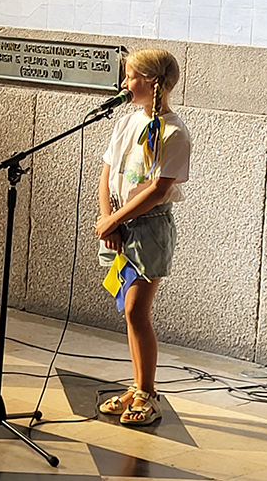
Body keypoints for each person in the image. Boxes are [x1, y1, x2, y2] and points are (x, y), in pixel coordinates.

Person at [94, 48, 191, 425]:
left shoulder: (174, 132)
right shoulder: (127, 122)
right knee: (129, 312)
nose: (124, 83)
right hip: (119, 224)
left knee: (137, 311)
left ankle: (147, 393)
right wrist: (109, 220)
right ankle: (137, 387)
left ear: (152, 82)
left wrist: (116, 221)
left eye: (131, 76)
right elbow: (107, 172)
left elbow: (158, 190)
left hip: (149, 228)